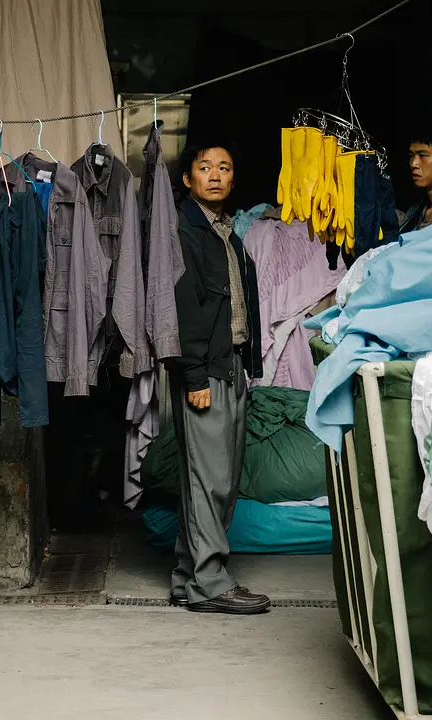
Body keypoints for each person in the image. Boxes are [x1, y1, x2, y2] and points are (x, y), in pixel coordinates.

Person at [166, 139, 270, 615]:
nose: (214, 175)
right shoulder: (183, 231)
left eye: (224, 168)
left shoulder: (227, 233)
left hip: (231, 367)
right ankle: (210, 582)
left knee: (216, 478)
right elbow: (182, 309)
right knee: (209, 480)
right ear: (188, 179)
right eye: (205, 167)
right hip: (206, 372)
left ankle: (188, 576)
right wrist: (194, 377)